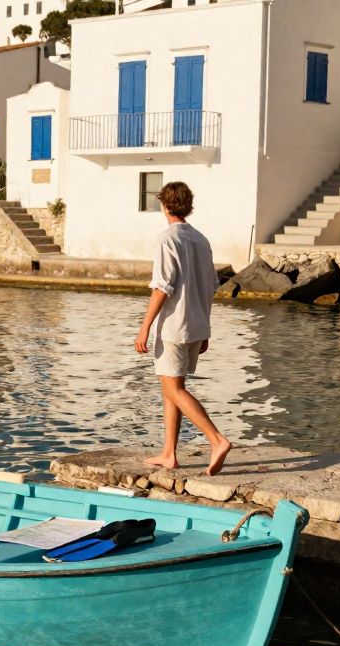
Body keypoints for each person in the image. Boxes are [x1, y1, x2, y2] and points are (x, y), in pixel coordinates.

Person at [134, 182, 231, 476]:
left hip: (175, 326)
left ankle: (217, 440)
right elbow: (211, 287)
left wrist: (144, 327)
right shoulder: (201, 239)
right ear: (188, 205)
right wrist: (207, 328)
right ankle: (169, 453)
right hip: (197, 325)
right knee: (173, 390)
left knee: (173, 388)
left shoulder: (167, 239)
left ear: (164, 205)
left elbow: (162, 287)